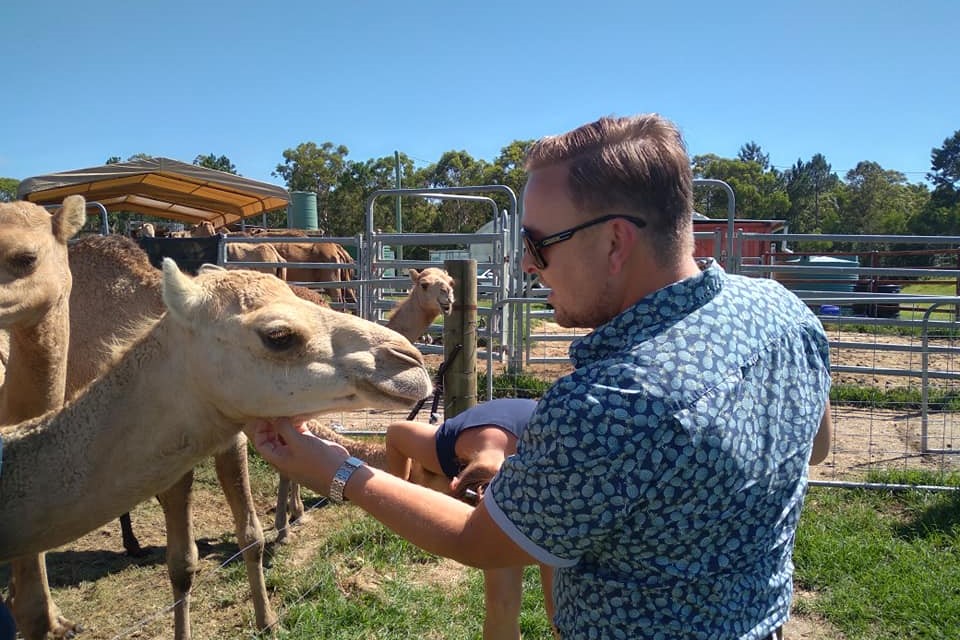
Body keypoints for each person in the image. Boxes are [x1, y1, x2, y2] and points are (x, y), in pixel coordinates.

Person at [246, 112, 833, 640]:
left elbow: (477, 540)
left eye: (537, 242)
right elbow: (817, 448)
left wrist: (340, 471)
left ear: (615, 241)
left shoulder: (608, 403)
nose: (526, 262)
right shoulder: (784, 312)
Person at [384, 398, 553, 639]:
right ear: (456, 478)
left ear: (454, 482)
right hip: (510, 451)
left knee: (560, 609)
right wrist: (402, 492)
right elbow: (395, 435)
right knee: (502, 606)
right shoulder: (442, 448)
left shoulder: (543, 451)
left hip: (547, 483)